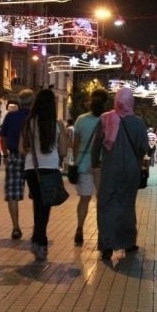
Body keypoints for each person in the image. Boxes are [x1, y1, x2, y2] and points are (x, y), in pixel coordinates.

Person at [92, 87, 148, 260]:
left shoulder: (105, 119)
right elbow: (143, 148)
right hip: (131, 171)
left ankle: (107, 245)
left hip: (110, 170)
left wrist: (95, 164)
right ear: (132, 102)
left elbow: (96, 146)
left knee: (106, 205)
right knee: (126, 206)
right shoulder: (138, 123)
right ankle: (128, 242)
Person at [21, 88, 67, 261]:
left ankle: (41, 241)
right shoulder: (57, 124)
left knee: (39, 204)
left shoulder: (28, 122)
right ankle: (38, 240)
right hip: (49, 168)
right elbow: (63, 150)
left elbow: (21, 148)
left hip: (31, 169)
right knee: (44, 206)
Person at [72, 88, 108, 246]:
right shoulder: (108, 120)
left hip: (83, 163)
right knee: (102, 200)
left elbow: (76, 143)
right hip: (100, 163)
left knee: (84, 199)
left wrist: (75, 160)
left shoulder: (81, 119)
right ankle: (102, 233)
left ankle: (79, 229)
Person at [0, 89, 34, 239]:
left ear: (19, 102)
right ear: (33, 102)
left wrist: (5, 155)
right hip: (33, 159)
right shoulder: (35, 117)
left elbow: (3, 138)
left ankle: (16, 227)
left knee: (13, 194)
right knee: (36, 194)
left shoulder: (10, 116)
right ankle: (37, 226)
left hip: (14, 156)